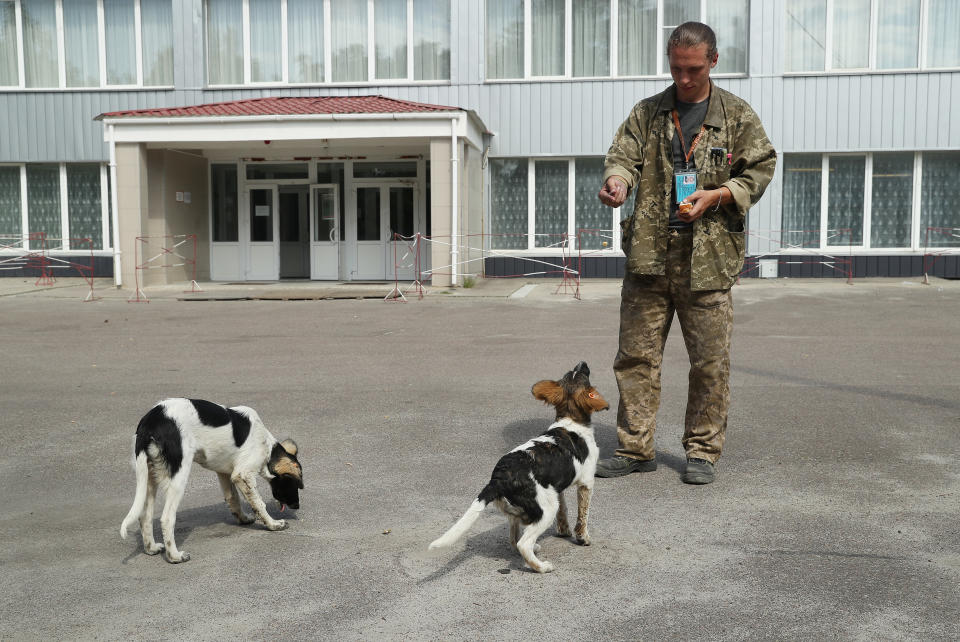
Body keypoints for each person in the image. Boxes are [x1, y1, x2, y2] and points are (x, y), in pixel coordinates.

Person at [596, 21, 776, 484]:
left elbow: (760, 167)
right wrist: (618, 181)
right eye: (676, 69)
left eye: (693, 69)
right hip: (649, 255)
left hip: (709, 261)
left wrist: (716, 195)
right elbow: (623, 156)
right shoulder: (648, 113)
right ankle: (635, 447)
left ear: (713, 62)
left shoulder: (736, 116)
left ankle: (702, 451)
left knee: (709, 363)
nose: (683, 79)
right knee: (635, 358)